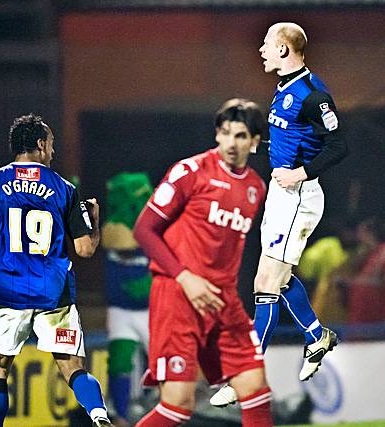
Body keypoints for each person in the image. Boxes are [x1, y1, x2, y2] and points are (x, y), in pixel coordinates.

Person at [211, 22, 348, 407]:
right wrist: (262, 147)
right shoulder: (284, 88)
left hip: (299, 196)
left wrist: (300, 172)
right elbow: (292, 137)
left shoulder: (312, 94)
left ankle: (243, 378)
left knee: (265, 284)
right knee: (279, 280)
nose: (261, 50)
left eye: (268, 44)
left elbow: (338, 146)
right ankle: (317, 336)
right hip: (280, 195)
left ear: (285, 49)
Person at [133, 99, 273, 427]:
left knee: (256, 390)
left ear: (254, 142)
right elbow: (144, 230)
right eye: (225, 134)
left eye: (240, 136)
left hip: (223, 302)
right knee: (177, 406)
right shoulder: (190, 172)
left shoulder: (256, 188)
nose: (231, 143)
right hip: (178, 296)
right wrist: (186, 277)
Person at [0, 114, 112, 427]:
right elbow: (85, 249)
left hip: (7, 288)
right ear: (41, 144)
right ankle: (98, 414)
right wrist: (95, 221)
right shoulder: (65, 189)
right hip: (53, 291)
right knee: (72, 367)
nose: (53, 152)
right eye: (52, 145)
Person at [101, 172, 154, 426]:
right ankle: (120, 415)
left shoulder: (154, 234)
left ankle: (160, 408)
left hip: (150, 312)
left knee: (160, 361)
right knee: (120, 361)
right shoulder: (110, 232)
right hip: (120, 311)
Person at [345, 217, 385, 326]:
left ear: (370, 233)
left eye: (361, 233)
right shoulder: (368, 257)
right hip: (358, 326)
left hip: (375, 327)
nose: (358, 239)